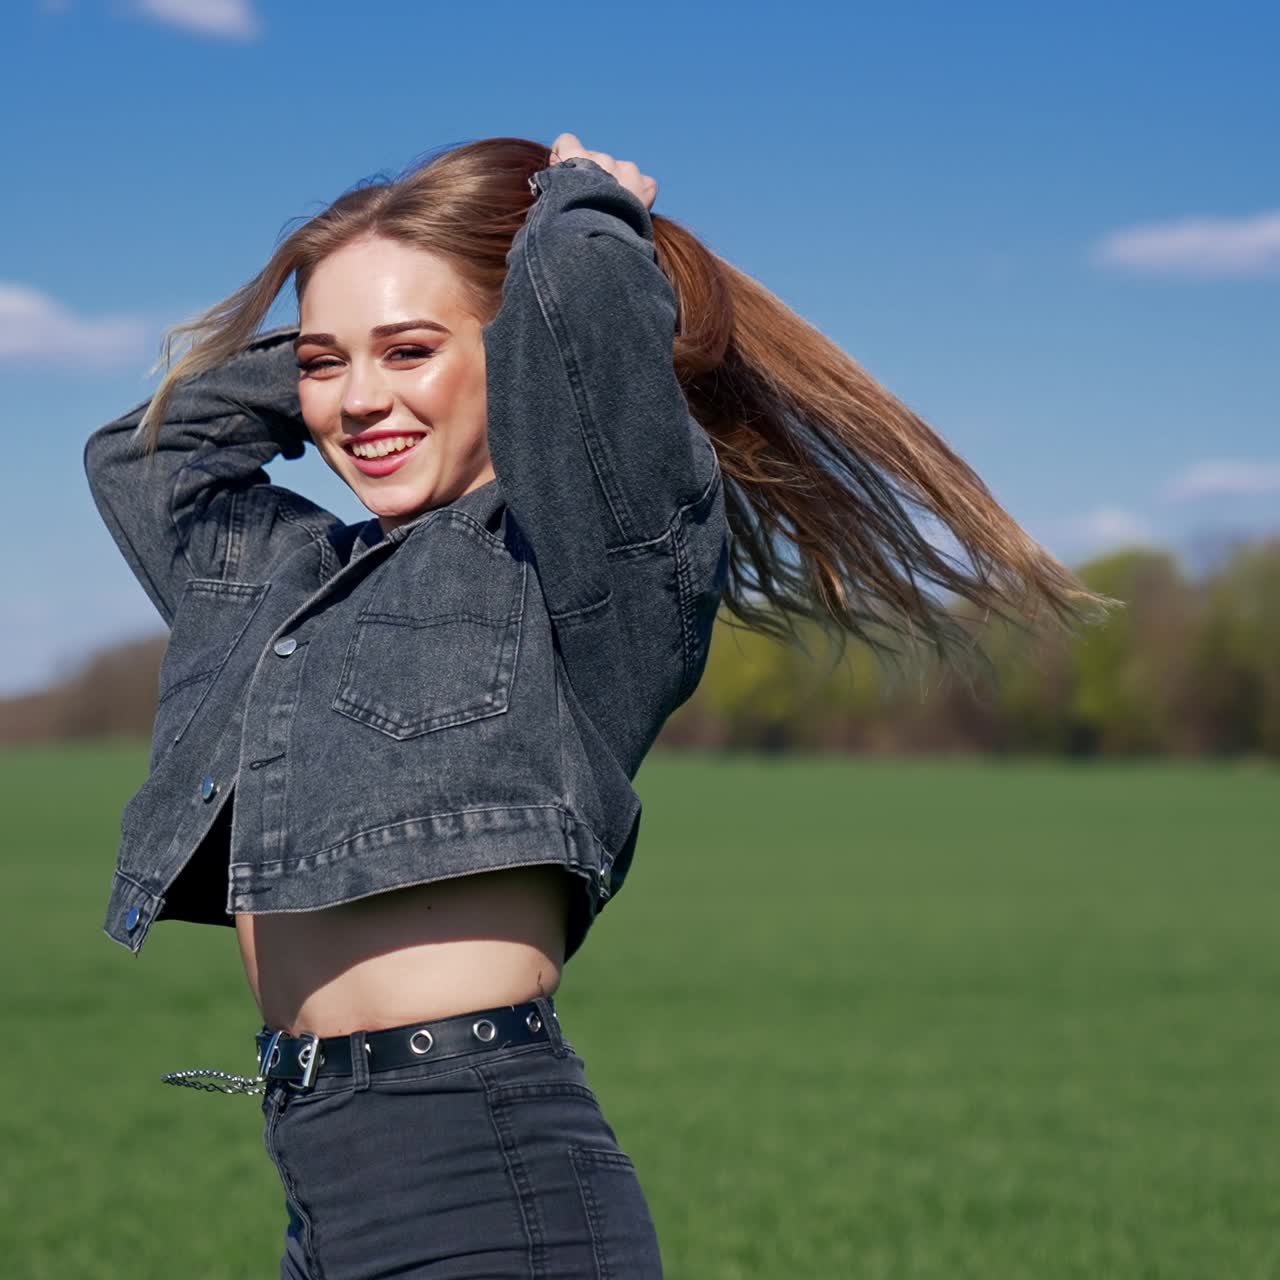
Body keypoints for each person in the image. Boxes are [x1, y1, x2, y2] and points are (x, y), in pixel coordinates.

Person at [83, 131, 1113, 1278]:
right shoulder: (289, 580)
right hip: (320, 1184)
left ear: (509, 350)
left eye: (411, 351)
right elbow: (145, 454)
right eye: (327, 365)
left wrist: (575, 213)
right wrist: (349, 349)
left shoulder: (585, 572)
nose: (359, 402)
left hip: (482, 1180)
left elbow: (575, 317)